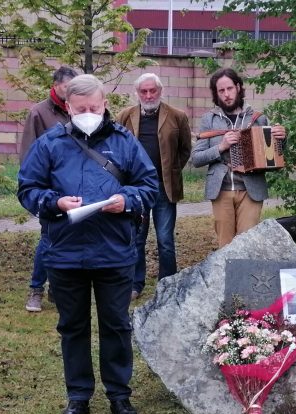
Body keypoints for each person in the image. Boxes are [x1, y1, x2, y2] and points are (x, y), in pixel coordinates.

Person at [17, 74, 159, 414]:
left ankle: (119, 396)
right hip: (66, 253)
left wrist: (127, 201)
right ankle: (78, 396)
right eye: (81, 109)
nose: (89, 113)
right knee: (73, 327)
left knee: (116, 326)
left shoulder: (124, 142)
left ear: (104, 103)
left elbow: (150, 186)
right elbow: (27, 189)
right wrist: (55, 202)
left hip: (114, 252)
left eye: (94, 107)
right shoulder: (50, 144)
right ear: (68, 107)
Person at [115, 73, 192, 299]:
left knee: (165, 239)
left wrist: (171, 171)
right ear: (137, 93)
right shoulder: (125, 116)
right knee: (136, 237)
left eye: (152, 91)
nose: (148, 95)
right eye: (144, 91)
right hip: (135, 188)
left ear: (160, 90)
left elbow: (185, 150)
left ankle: (167, 283)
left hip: (163, 187)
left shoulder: (177, 116)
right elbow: (117, 148)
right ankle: (134, 284)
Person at [191, 67, 286, 248]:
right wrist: (221, 146)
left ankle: (245, 277)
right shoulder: (209, 120)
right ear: (216, 94)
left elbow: (273, 158)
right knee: (225, 246)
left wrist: (281, 140)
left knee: (246, 245)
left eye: (229, 89)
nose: (226, 94)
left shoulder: (258, 118)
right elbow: (196, 159)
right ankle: (227, 277)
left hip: (251, 190)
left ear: (238, 87)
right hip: (221, 190)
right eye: (221, 91)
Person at [20, 66, 79, 312]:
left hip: (73, 187)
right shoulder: (39, 113)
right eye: (68, 88)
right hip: (48, 191)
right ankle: (36, 289)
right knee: (48, 238)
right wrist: (34, 190)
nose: (71, 93)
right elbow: (28, 153)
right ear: (56, 85)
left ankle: (57, 288)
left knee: (68, 238)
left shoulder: (76, 109)